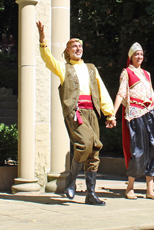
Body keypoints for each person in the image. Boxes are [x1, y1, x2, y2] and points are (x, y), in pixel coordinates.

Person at [36, 21, 116, 205]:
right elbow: (48, 60)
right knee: (85, 145)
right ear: (67, 51)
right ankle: (71, 179)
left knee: (95, 150)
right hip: (76, 113)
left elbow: (101, 90)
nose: (78, 48)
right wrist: (43, 41)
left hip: (92, 113)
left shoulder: (91, 68)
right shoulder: (64, 68)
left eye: (80, 46)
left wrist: (109, 113)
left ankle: (90, 194)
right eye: (74, 46)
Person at [113, 43, 154, 200]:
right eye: (136, 54)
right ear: (131, 56)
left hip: (149, 113)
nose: (139, 57)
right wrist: (113, 114)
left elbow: (153, 97)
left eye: (141, 54)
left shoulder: (147, 74)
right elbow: (121, 93)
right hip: (135, 114)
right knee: (138, 150)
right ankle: (130, 187)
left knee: (153, 148)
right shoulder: (126, 73)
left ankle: (149, 189)